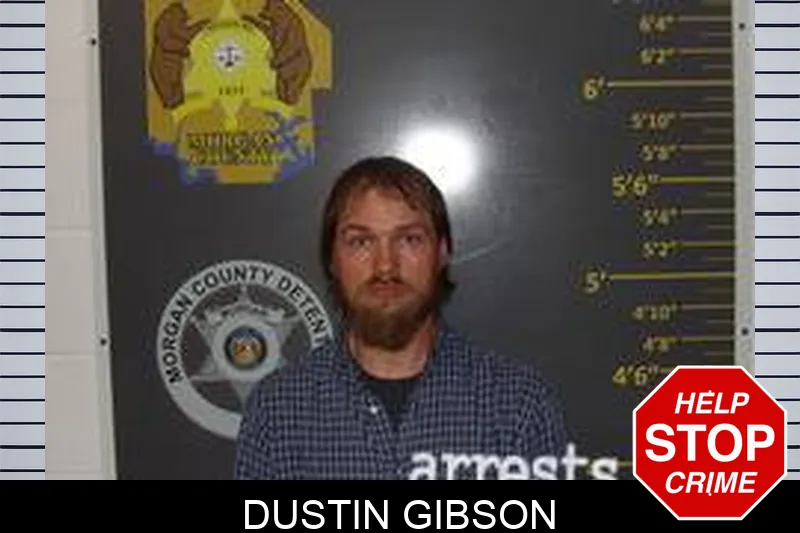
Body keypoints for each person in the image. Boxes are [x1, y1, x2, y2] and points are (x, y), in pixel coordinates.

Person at [234, 156, 567, 479]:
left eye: (409, 239)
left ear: (442, 252)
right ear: (332, 259)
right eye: (361, 241)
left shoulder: (518, 406)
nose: (385, 266)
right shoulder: (276, 411)